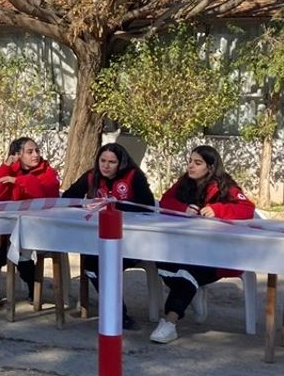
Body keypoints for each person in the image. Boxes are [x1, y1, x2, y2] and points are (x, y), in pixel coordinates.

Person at [150, 145, 255, 344]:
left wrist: (218, 209)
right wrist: (183, 208)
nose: (191, 166)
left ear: (210, 167)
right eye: (190, 161)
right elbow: (165, 201)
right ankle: (192, 289)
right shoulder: (184, 182)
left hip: (217, 254)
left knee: (188, 272)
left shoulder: (225, 185)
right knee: (162, 262)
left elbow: (247, 208)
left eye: (198, 163)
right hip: (183, 247)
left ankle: (169, 322)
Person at [61, 143, 156, 329]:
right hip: (100, 240)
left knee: (107, 262)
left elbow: (148, 205)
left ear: (120, 163)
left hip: (132, 241)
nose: (106, 165)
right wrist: (86, 204)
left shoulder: (133, 176)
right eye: (102, 160)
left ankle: (119, 313)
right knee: (91, 263)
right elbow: (68, 197)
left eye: (112, 162)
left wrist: (115, 205)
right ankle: (118, 311)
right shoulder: (91, 176)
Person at [0, 136, 60, 301]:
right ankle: (32, 288)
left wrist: (19, 181)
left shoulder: (48, 172)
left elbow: (43, 195)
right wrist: (6, 166)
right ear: (18, 155)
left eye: (36, 150)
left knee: (17, 245)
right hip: (18, 226)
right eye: (29, 152)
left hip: (43, 227)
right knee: (17, 245)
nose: (35, 155)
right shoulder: (12, 170)